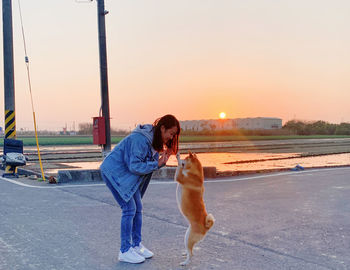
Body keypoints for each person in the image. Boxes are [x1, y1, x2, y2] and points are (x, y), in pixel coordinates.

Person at [100, 114, 180, 264]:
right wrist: (157, 164)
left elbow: (145, 167)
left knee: (138, 208)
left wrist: (161, 160)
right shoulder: (141, 139)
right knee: (129, 209)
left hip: (127, 175)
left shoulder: (154, 142)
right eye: (171, 133)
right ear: (162, 128)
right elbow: (135, 166)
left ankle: (135, 245)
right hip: (114, 173)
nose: (171, 137)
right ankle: (124, 250)